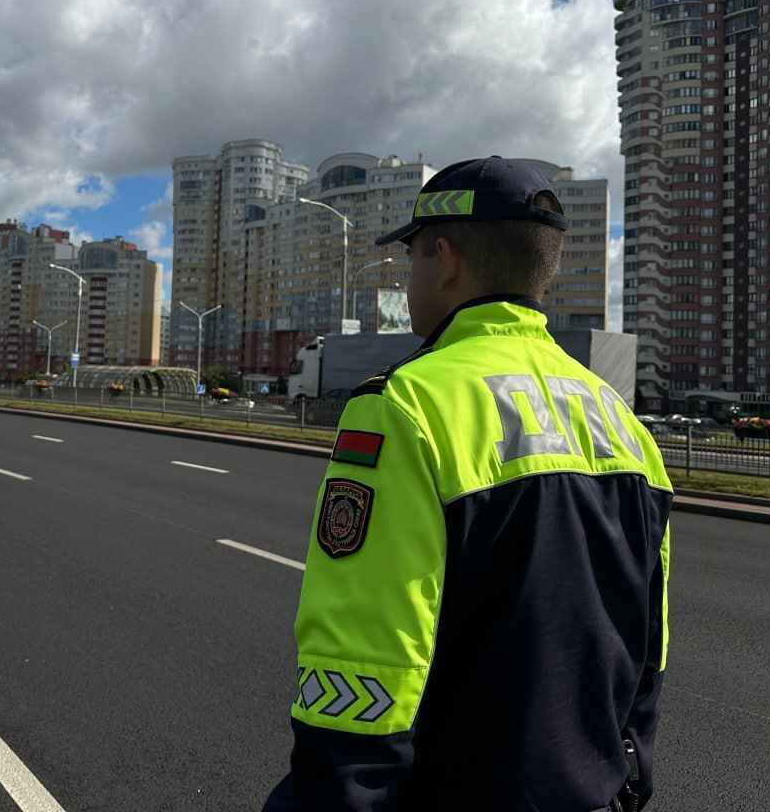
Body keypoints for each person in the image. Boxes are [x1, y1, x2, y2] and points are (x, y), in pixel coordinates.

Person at [264, 156, 672, 812]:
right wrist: (626, 776)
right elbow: (647, 642)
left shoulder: (406, 407)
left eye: (412, 260)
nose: (409, 278)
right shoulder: (623, 425)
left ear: (446, 258)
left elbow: (363, 659)